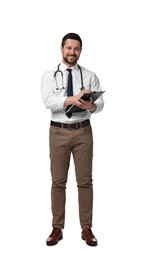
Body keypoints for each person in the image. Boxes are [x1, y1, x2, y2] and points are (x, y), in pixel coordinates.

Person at [41, 32, 104, 246]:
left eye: (76, 49)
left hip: (83, 132)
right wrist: (73, 99)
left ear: (80, 51)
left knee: (85, 182)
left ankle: (86, 228)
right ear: (61, 48)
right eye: (69, 48)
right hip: (58, 132)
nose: (72, 52)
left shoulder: (89, 75)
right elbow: (49, 101)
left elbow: (100, 105)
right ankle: (57, 228)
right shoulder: (50, 75)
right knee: (58, 182)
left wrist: (91, 105)